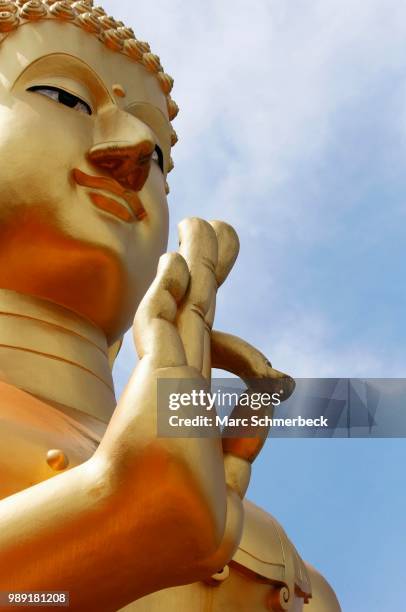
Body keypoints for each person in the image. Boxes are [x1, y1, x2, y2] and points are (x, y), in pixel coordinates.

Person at [0, 2, 341, 610]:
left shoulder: (256, 546)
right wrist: (106, 515)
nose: (132, 149)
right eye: (66, 97)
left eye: (157, 152)